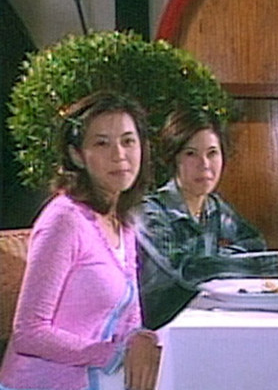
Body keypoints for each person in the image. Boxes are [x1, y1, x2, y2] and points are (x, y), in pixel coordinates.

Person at [0, 90, 159, 390]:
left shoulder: (122, 221)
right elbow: (28, 332)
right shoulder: (64, 221)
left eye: (128, 141)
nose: (119, 154)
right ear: (77, 155)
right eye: (102, 143)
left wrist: (140, 340)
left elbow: (130, 317)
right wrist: (111, 353)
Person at [138, 107, 278, 329]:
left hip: (207, 320)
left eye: (212, 153)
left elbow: (253, 243)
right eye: (191, 154)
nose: (204, 164)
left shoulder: (214, 207)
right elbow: (187, 269)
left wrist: (215, 260)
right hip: (159, 332)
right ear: (173, 159)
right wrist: (273, 264)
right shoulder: (151, 211)